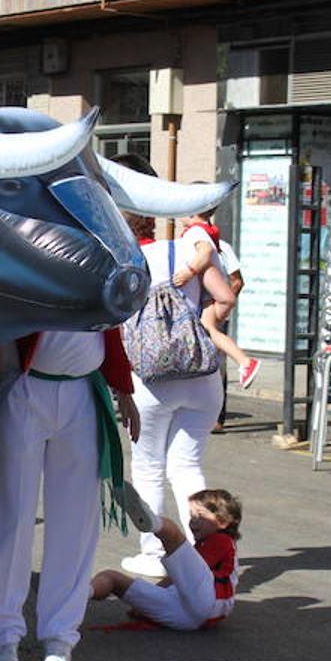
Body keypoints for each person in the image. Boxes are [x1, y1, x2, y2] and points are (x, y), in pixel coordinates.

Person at [0, 326, 140, 661]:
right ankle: (3, 636)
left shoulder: (105, 265)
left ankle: (61, 637)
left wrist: (123, 387)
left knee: (77, 522)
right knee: (11, 514)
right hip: (24, 386)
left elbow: (110, 318)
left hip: (82, 391)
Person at [120, 223, 241, 580]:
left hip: (150, 378)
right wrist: (204, 325)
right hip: (201, 375)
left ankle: (156, 552)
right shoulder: (187, 249)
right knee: (188, 467)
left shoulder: (125, 257)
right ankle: (204, 552)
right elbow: (227, 297)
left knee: (148, 467)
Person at [92, 487, 240, 631]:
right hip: (186, 617)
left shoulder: (221, 540)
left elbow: (176, 578)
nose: (193, 521)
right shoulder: (207, 543)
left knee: (173, 534)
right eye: (191, 515)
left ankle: (152, 521)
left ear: (222, 522)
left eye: (200, 515)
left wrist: (151, 594)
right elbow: (178, 578)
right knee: (112, 579)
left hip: (208, 601)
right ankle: (80, 594)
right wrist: (145, 603)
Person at [180, 207, 259, 391]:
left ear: (193, 212)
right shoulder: (207, 233)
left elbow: (205, 252)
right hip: (209, 294)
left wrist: (187, 272)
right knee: (210, 333)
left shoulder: (195, 232)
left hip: (207, 293)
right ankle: (243, 363)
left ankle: (245, 362)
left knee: (210, 332)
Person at [211, 238, 246, 433]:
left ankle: (217, 418)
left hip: (216, 316)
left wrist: (221, 307)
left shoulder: (222, 248)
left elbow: (238, 281)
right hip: (191, 316)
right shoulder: (185, 244)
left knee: (217, 367)